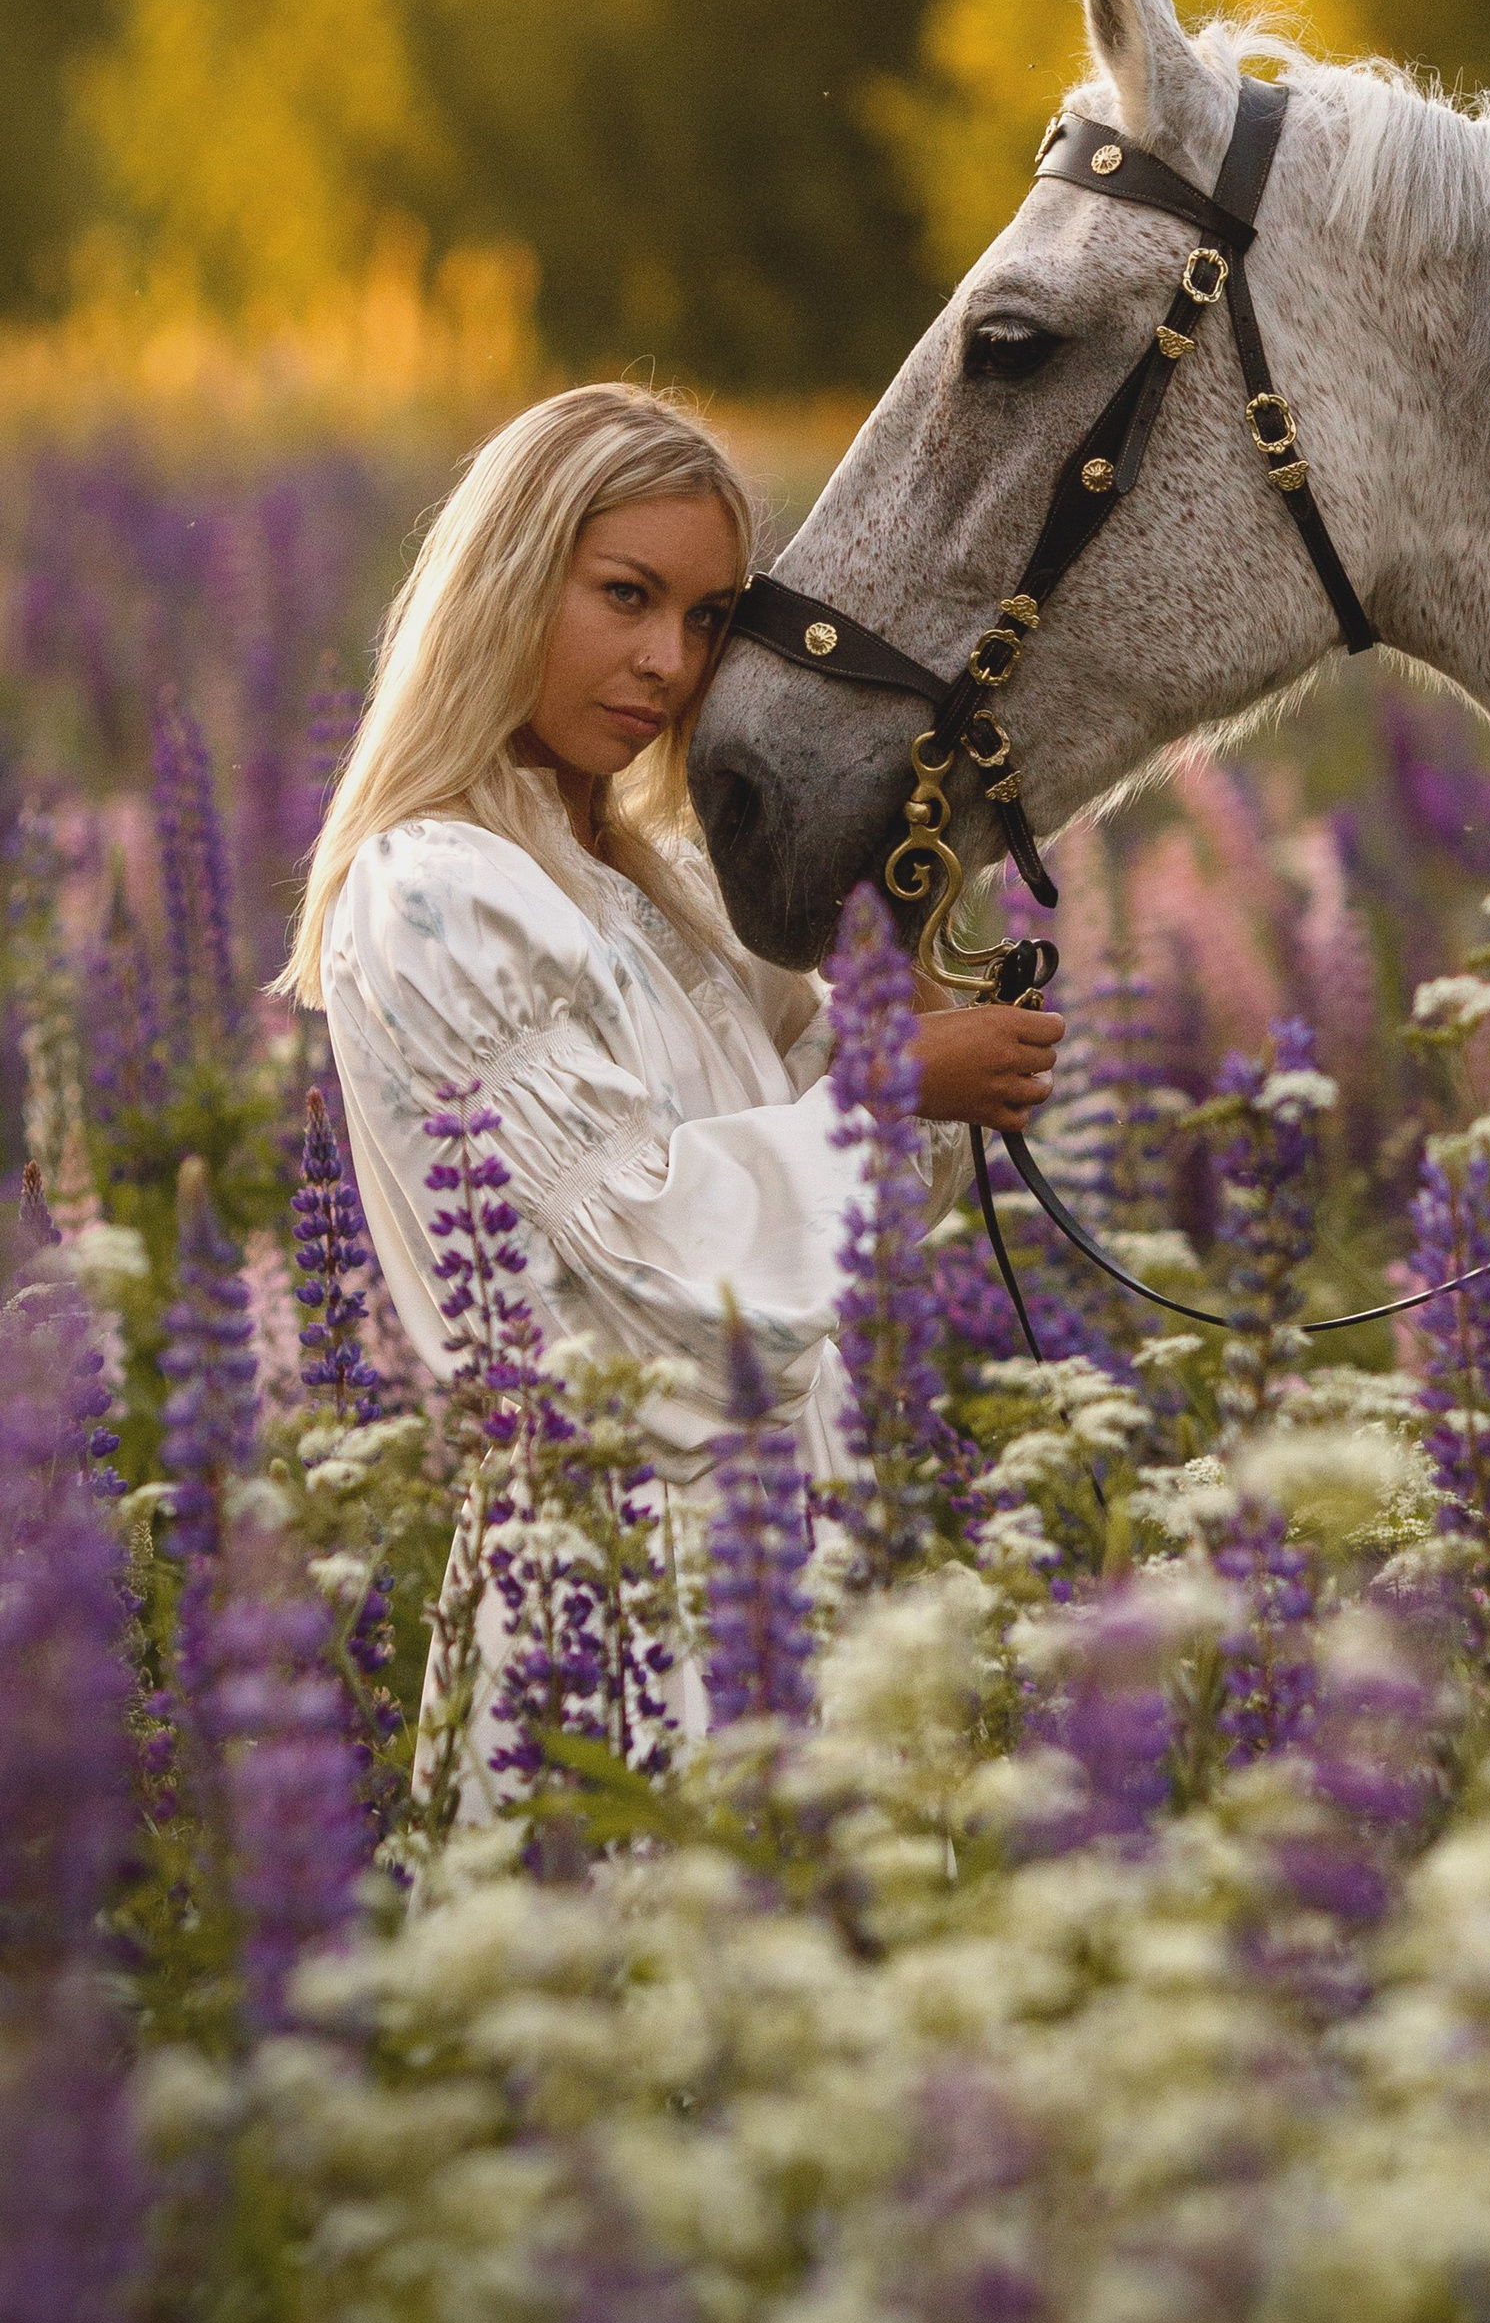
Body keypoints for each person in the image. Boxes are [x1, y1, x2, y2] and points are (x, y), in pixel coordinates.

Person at [285, 382, 1062, 1495]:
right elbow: (641, 1266)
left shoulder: (672, 888)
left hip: (784, 1536)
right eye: (626, 596)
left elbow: (851, 1214)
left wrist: (896, 941)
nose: (670, 661)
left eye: (705, 619)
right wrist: (889, 1085)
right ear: (505, 586)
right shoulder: (438, 892)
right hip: (614, 1571)